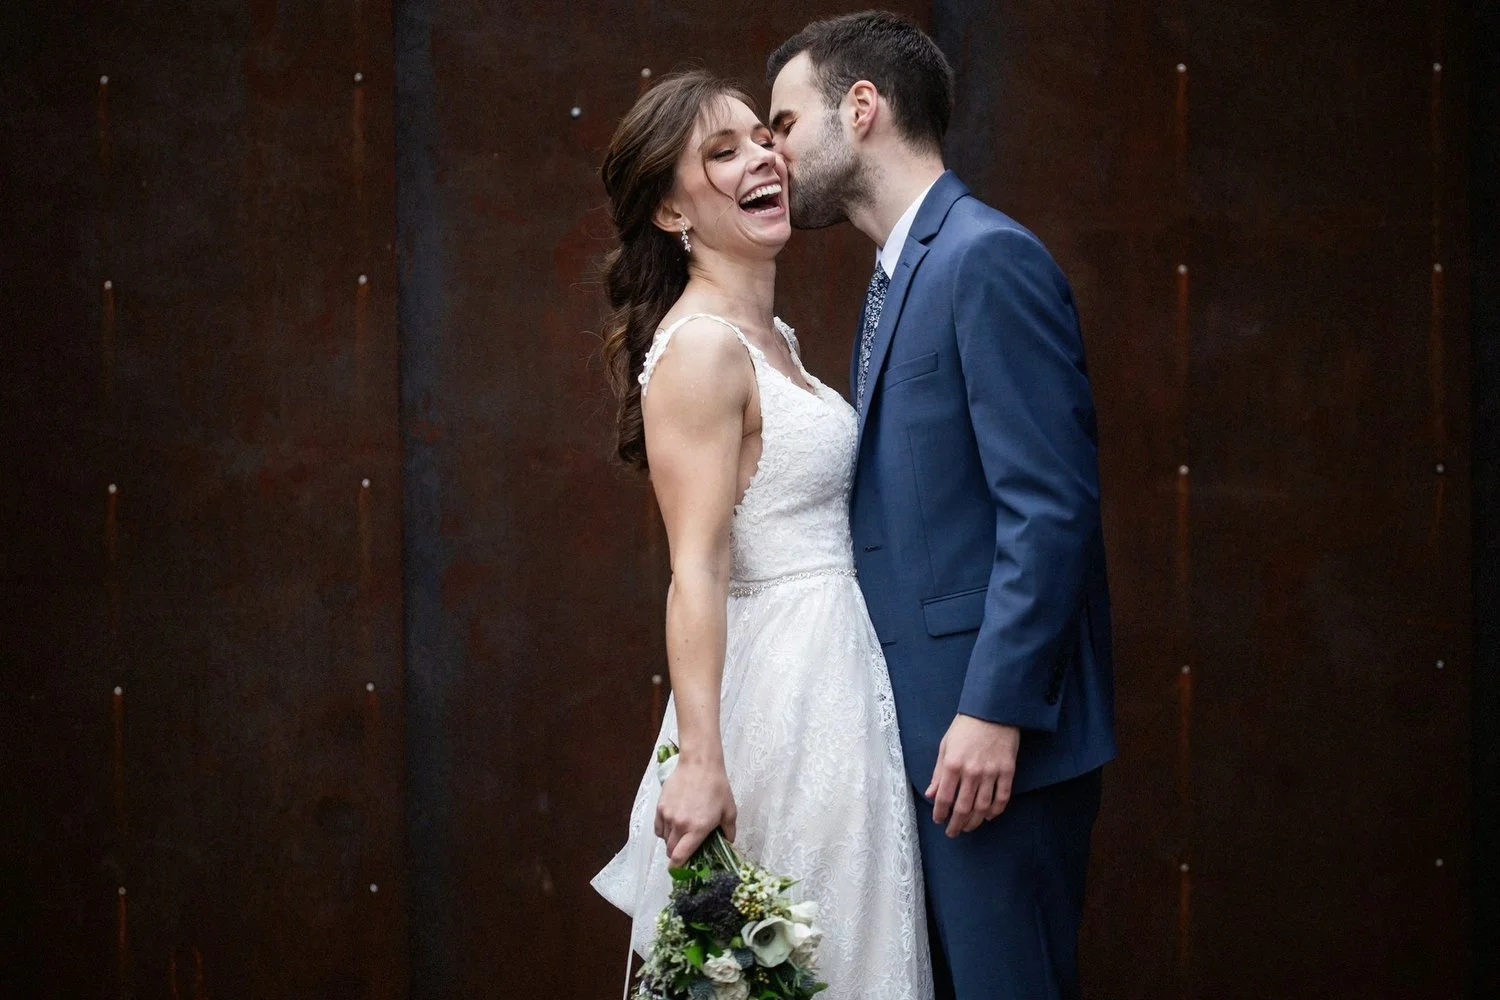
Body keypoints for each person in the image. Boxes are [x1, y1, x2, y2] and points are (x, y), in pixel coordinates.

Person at [766, 12, 1117, 1000]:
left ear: (862, 109)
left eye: (787, 123)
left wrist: (994, 707)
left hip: (991, 748)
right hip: (920, 746)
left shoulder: (985, 258)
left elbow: (1048, 508)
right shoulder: (898, 278)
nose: (773, 152)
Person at [589, 71, 935, 999]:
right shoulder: (704, 348)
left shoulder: (769, 333)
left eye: (761, 136)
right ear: (669, 211)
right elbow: (695, 568)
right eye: (723, 151)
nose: (763, 158)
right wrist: (703, 760)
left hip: (839, 681)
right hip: (778, 699)